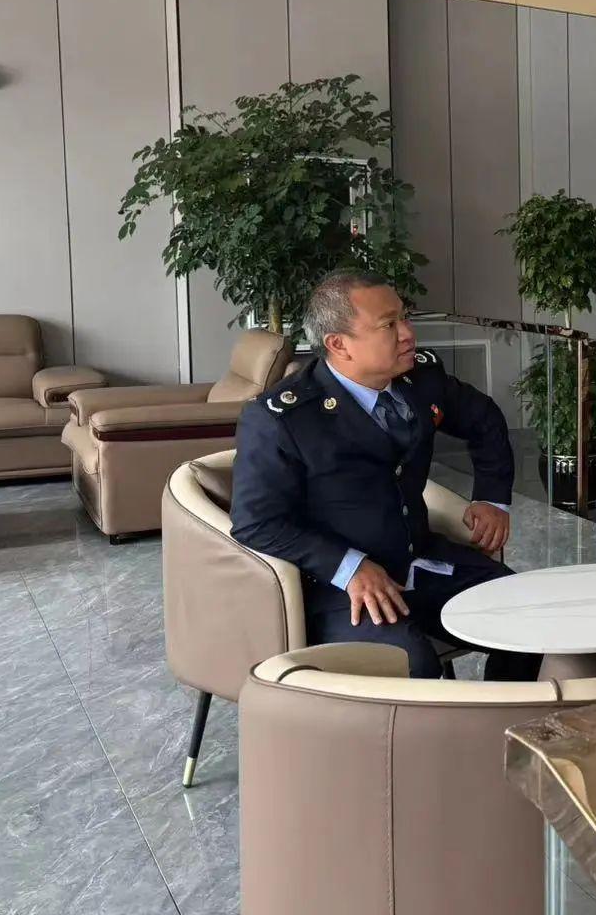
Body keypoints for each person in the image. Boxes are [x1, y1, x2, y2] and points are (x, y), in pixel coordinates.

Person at [230, 269, 540, 681]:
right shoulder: (283, 418)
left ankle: (505, 714)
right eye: (389, 325)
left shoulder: (419, 379)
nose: (408, 334)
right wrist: (350, 568)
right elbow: (256, 523)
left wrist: (491, 497)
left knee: (530, 617)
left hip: (420, 560)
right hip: (338, 587)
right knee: (411, 666)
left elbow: (484, 419)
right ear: (338, 344)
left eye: (405, 318)